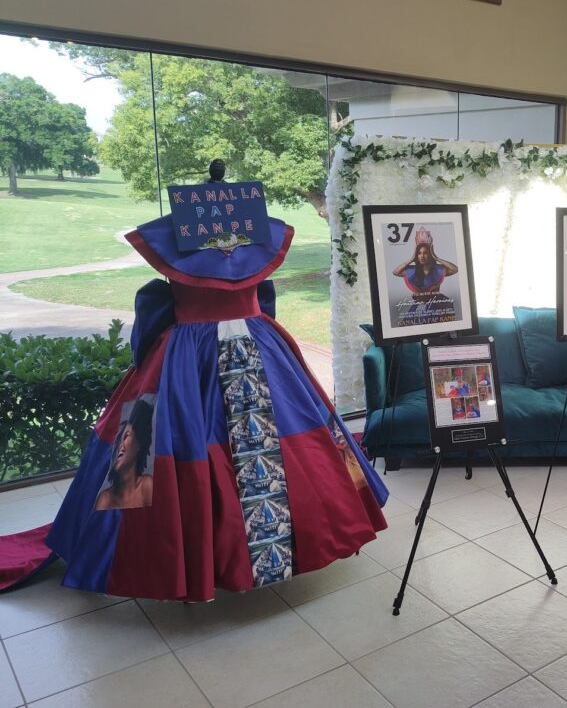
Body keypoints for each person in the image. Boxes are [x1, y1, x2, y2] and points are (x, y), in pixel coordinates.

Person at [21, 212, 389, 602]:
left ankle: (183, 559)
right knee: (297, 437)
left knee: (150, 447)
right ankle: (290, 543)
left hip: (184, 355)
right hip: (259, 344)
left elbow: (148, 326)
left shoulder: (176, 234)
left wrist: (145, 359)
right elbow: (265, 298)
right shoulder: (254, 229)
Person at [95, 399, 155, 510]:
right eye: (118, 440)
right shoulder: (106, 499)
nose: (120, 445)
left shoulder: (147, 485)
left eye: (126, 436)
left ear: (139, 444)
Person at [392, 241, 458, 294]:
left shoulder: (438, 269)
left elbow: (455, 269)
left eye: (425, 253)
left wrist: (436, 258)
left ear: (430, 255)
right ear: (416, 256)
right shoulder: (412, 270)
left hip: (436, 303)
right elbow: (395, 272)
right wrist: (411, 259)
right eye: (419, 253)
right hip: (419, 305)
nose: (422, 256)